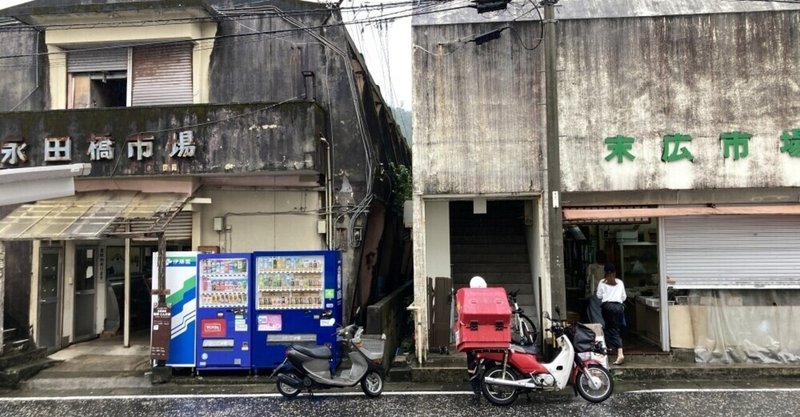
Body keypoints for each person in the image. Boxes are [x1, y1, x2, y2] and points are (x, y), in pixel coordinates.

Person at [596, 262, 626, 365]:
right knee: (615, 328)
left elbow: (599, 296)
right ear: (615, 272)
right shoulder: (620, 282)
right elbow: (624, 297)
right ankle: (611, 348)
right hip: (619, 307)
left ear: (605, 272)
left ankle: (620, 353)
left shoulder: (602, 282)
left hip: (607, 307)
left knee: (611, 329)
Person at [466, 276, 487, 395]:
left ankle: (477, 386)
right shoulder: (484, 298)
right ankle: (482, 385)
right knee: (486, 358)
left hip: (472, 334)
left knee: (472, 360)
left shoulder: (467, 298)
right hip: (480, 333)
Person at [585, 250, 607, 326]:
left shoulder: (591, 267)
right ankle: (603, 328)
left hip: (594, 293)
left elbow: (588, 280)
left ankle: (599, 329)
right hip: (605, 294)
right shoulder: (607, 268)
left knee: (595, 314)